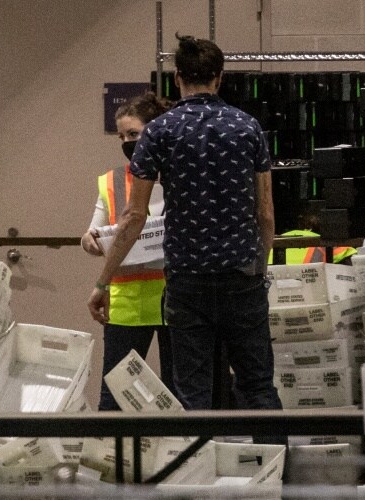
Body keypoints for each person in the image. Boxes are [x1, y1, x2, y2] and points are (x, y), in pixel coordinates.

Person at [88, 34, 283, 416]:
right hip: (241, 275)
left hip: (188, 279)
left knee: (192, 391)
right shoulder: (247, 128)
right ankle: (276, 471)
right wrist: (259, 269)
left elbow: (133, 217)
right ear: (219, 78)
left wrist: (103, 281)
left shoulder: (161, 131)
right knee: (257, 384)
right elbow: (266, 214)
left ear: (177, 78)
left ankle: (197, 471)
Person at [81, 91, 174, 411]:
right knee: (115, 393)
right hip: (126, 299)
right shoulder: (112, 181)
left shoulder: (181, 174)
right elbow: (93, 233)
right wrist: (90, 240)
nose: (127, 142)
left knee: (178, 391)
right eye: (122, 136)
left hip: (175, 296)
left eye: (134, 134)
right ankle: (109, 459)